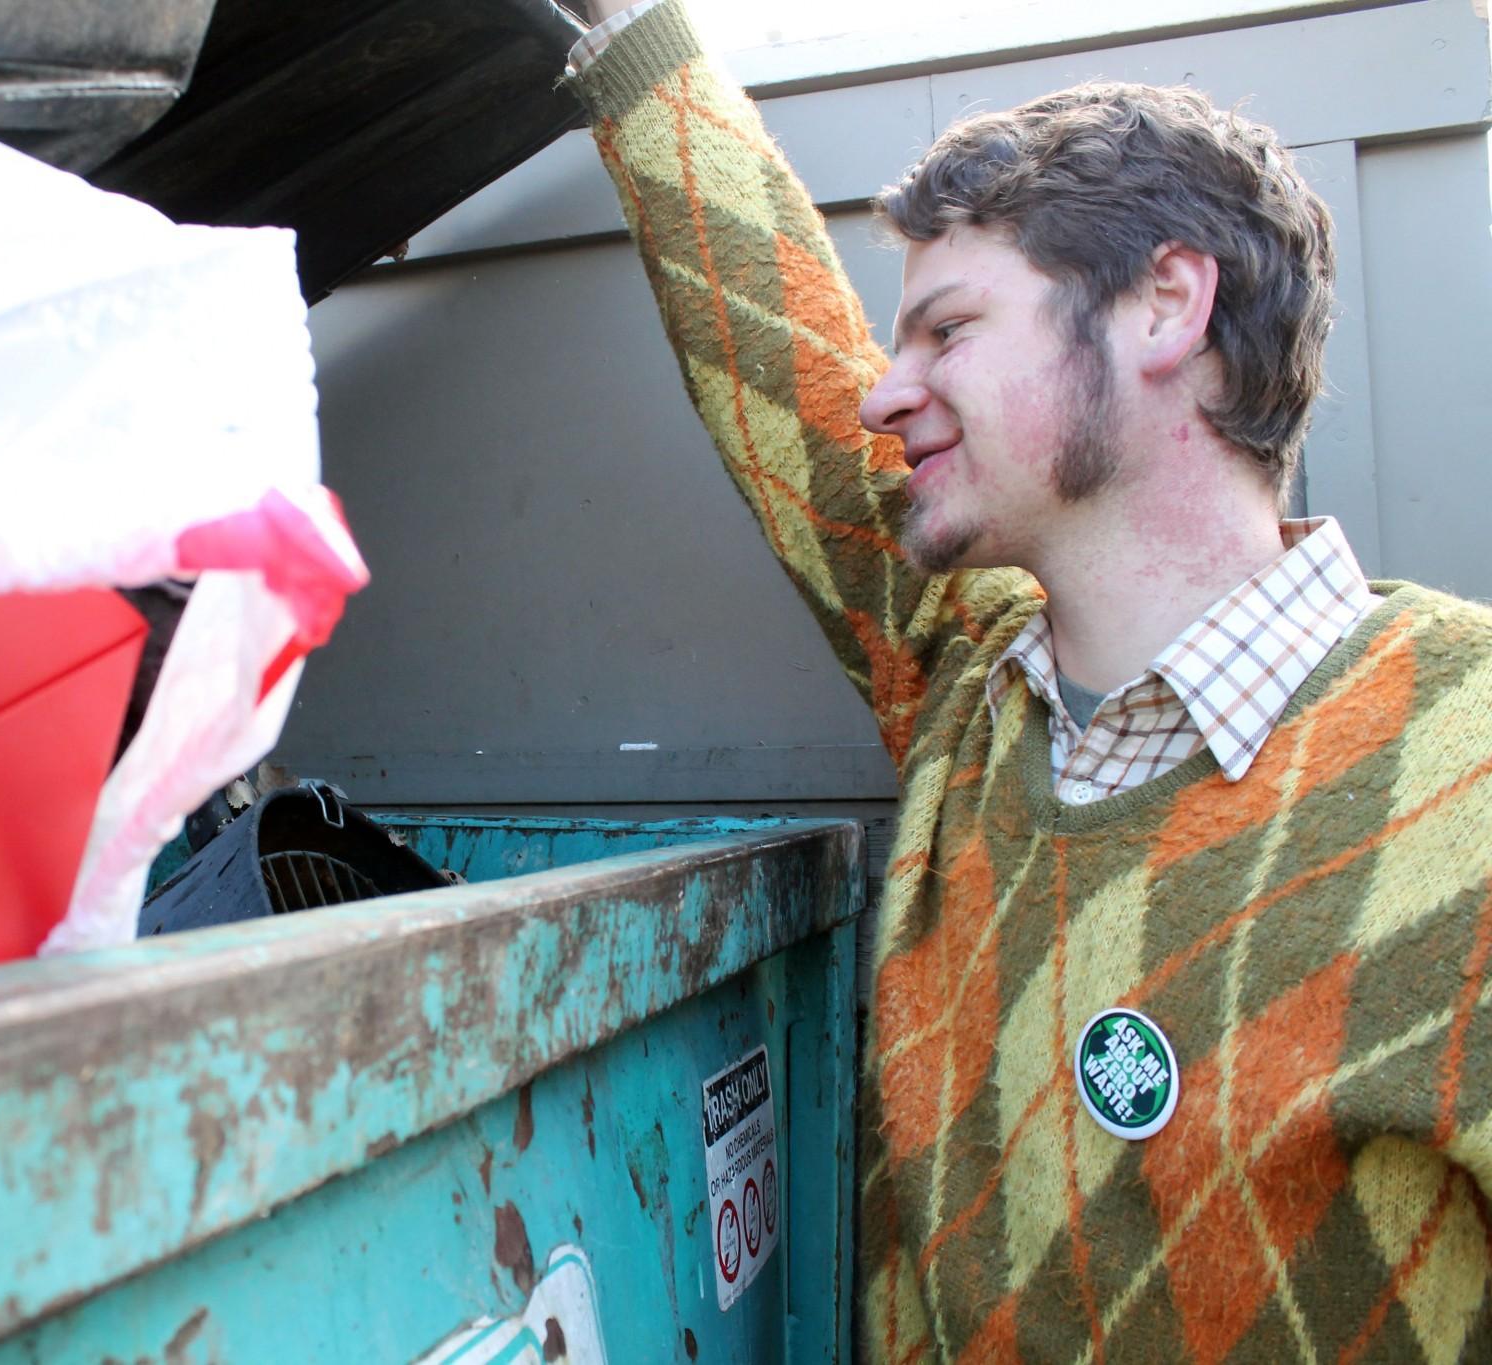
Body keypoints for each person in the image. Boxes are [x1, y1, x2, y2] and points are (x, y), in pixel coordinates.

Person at [565, 1, 1492, 1359]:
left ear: (1166, 306)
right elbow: (794, 377)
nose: (891, 391)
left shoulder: (1467, 758)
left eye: (947, 331)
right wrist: (631, 37)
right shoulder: (971, 696)